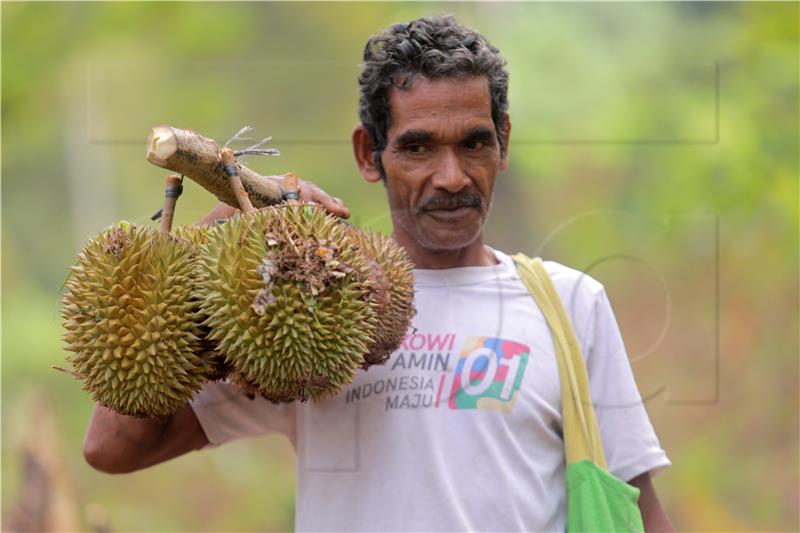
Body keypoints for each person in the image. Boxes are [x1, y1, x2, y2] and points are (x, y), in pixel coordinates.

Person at [83, 15, 674, 532]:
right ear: (370, 154)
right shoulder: (303, 294)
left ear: (504, 142)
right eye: (418, 148)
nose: (451, 176)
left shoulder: (570, 304)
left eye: (474, 143)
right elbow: (112, 448)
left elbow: (639, 509)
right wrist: (203, 245)